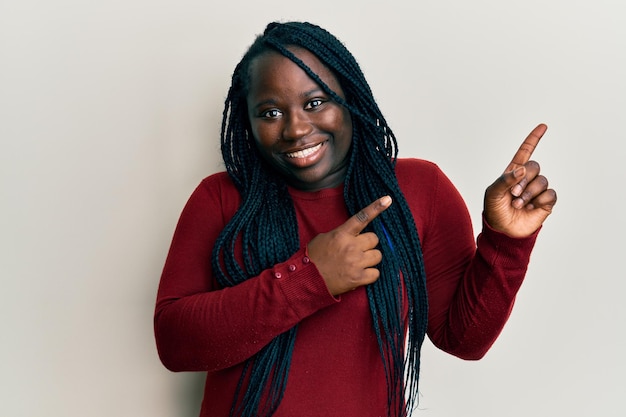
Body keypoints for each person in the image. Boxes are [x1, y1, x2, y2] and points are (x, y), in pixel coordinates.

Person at [154, 21, 557, 417]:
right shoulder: (220, 198)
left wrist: (505, 242)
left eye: (315, 103)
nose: (295, 129)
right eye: (271, 112)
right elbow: (174, 343)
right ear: (248, 123)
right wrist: (308, 278)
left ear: (351, 99)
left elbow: (464, 340)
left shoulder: (419, 191)